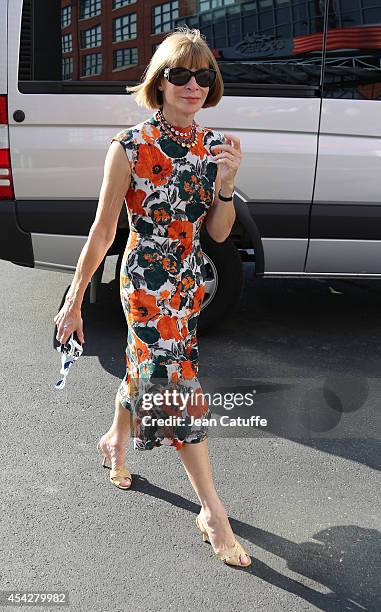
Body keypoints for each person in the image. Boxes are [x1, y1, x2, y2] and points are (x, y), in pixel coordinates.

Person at [53, 25, 251, 568]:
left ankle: (114, 442)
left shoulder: (214, 147)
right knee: (174, 384)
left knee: (149, 367)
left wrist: (228, 185)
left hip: (188, 277)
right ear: (159, 83)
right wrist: (73, 300)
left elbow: (217, 232)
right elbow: (102, 231)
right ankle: (212, 510)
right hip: (146, 282)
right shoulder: (131, 146)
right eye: (180, 75)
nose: (192, 85)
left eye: (202, 76)